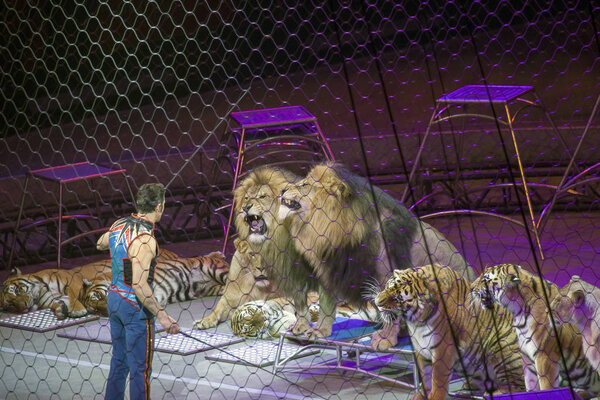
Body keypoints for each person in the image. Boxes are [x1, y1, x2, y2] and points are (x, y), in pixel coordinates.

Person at [97, 182, 179, 400]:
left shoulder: (118, 225)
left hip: (114, 299)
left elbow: (100, 243)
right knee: (140, 370)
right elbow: (140, 286)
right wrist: (162, 315)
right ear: (159, 207)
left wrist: (120, 238)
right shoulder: (145, 240)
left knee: (119, 361)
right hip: (134, 307)